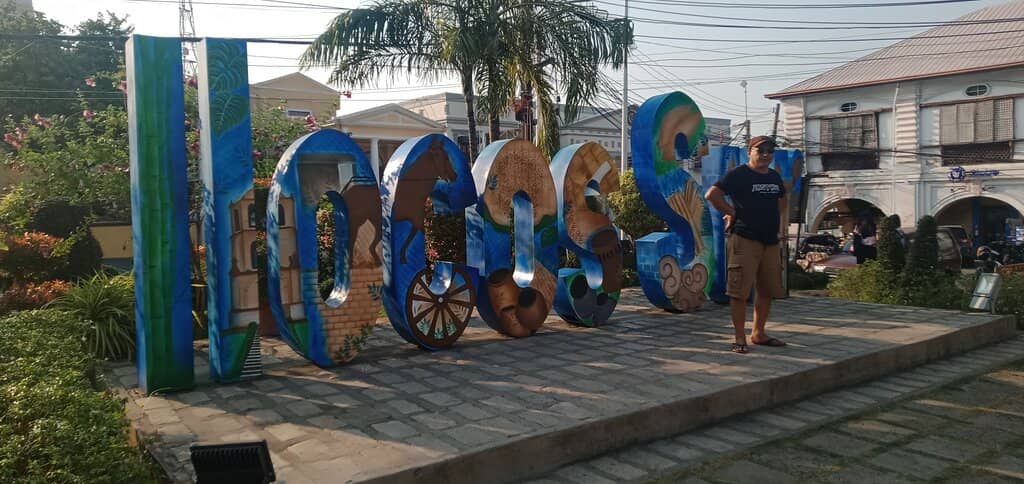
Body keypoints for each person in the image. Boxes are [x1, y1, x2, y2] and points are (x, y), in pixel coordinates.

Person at [705, 135, 787, 354]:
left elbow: (782, 200)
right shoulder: (738, 174)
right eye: (761, 150)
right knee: (739, 292)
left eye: (770, 151)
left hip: (770, 241)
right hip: (745, 239)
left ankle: (759, 333)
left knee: (767, 290)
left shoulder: (774, 176)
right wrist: (732, 212)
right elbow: (712, 195)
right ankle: (740, 338)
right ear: (750, 151)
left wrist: (776, 223)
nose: (766, 155)